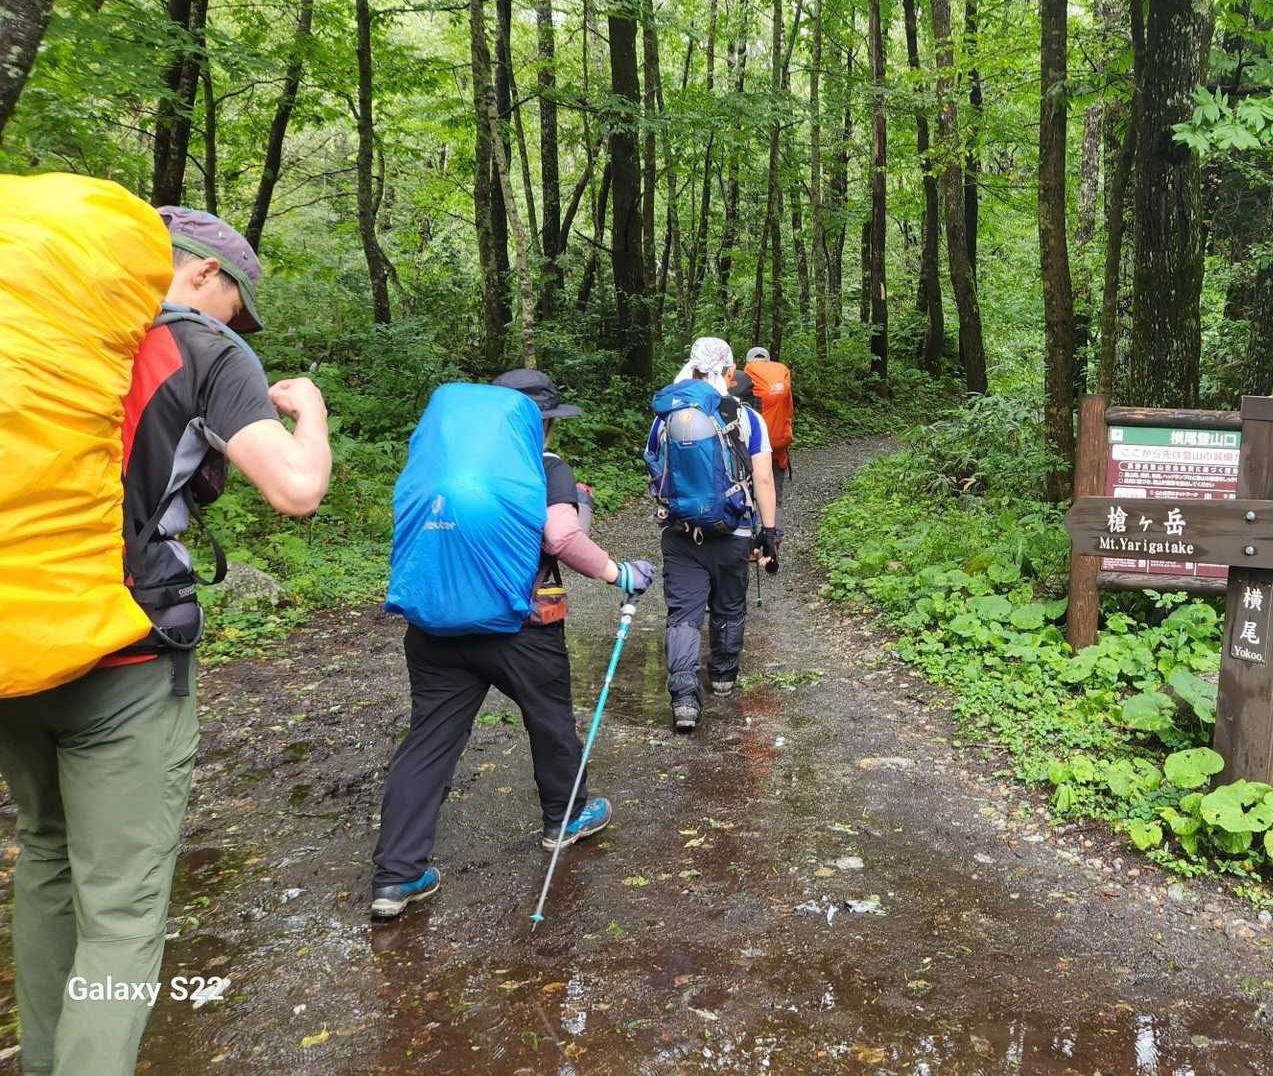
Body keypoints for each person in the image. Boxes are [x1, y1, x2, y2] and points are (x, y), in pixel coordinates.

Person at [0, 207, 334, 1076]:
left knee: (46, 853)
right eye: (236, 304)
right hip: (127, 659)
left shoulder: (42, 333)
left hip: (16, 637)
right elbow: (297, 489)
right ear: (200, 274)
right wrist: (310, 411)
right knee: (121, 912)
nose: (236, 322)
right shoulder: (201, 347)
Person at [369, 369, 655, 919]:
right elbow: (561, 535)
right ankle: (565, 818)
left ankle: (396, 877)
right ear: (541, 425)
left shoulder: (441, 466)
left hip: (436, 626)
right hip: (521, 626)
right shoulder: (546, 467)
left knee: (428, 741)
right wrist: (616, 572)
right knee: (549, 721)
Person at [649, 337, 780, 732]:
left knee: (683, 615)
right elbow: (763, 479)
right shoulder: (746, 417)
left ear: (690, 366)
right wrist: (768, 533)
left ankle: (684, 699)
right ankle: (723, 677)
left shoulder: (664, 416)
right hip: (733, 531)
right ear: (729, 371)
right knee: (729, 605)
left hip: (681, 533)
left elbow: (655, 469)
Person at [740, 345, 795, 505]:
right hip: (779, 444)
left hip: (754, 447)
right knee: (775, 498)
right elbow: (789, 410)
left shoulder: (745, 377)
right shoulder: (781, 373)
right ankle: (775, 519)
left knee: (749, 496)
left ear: (748, 361)